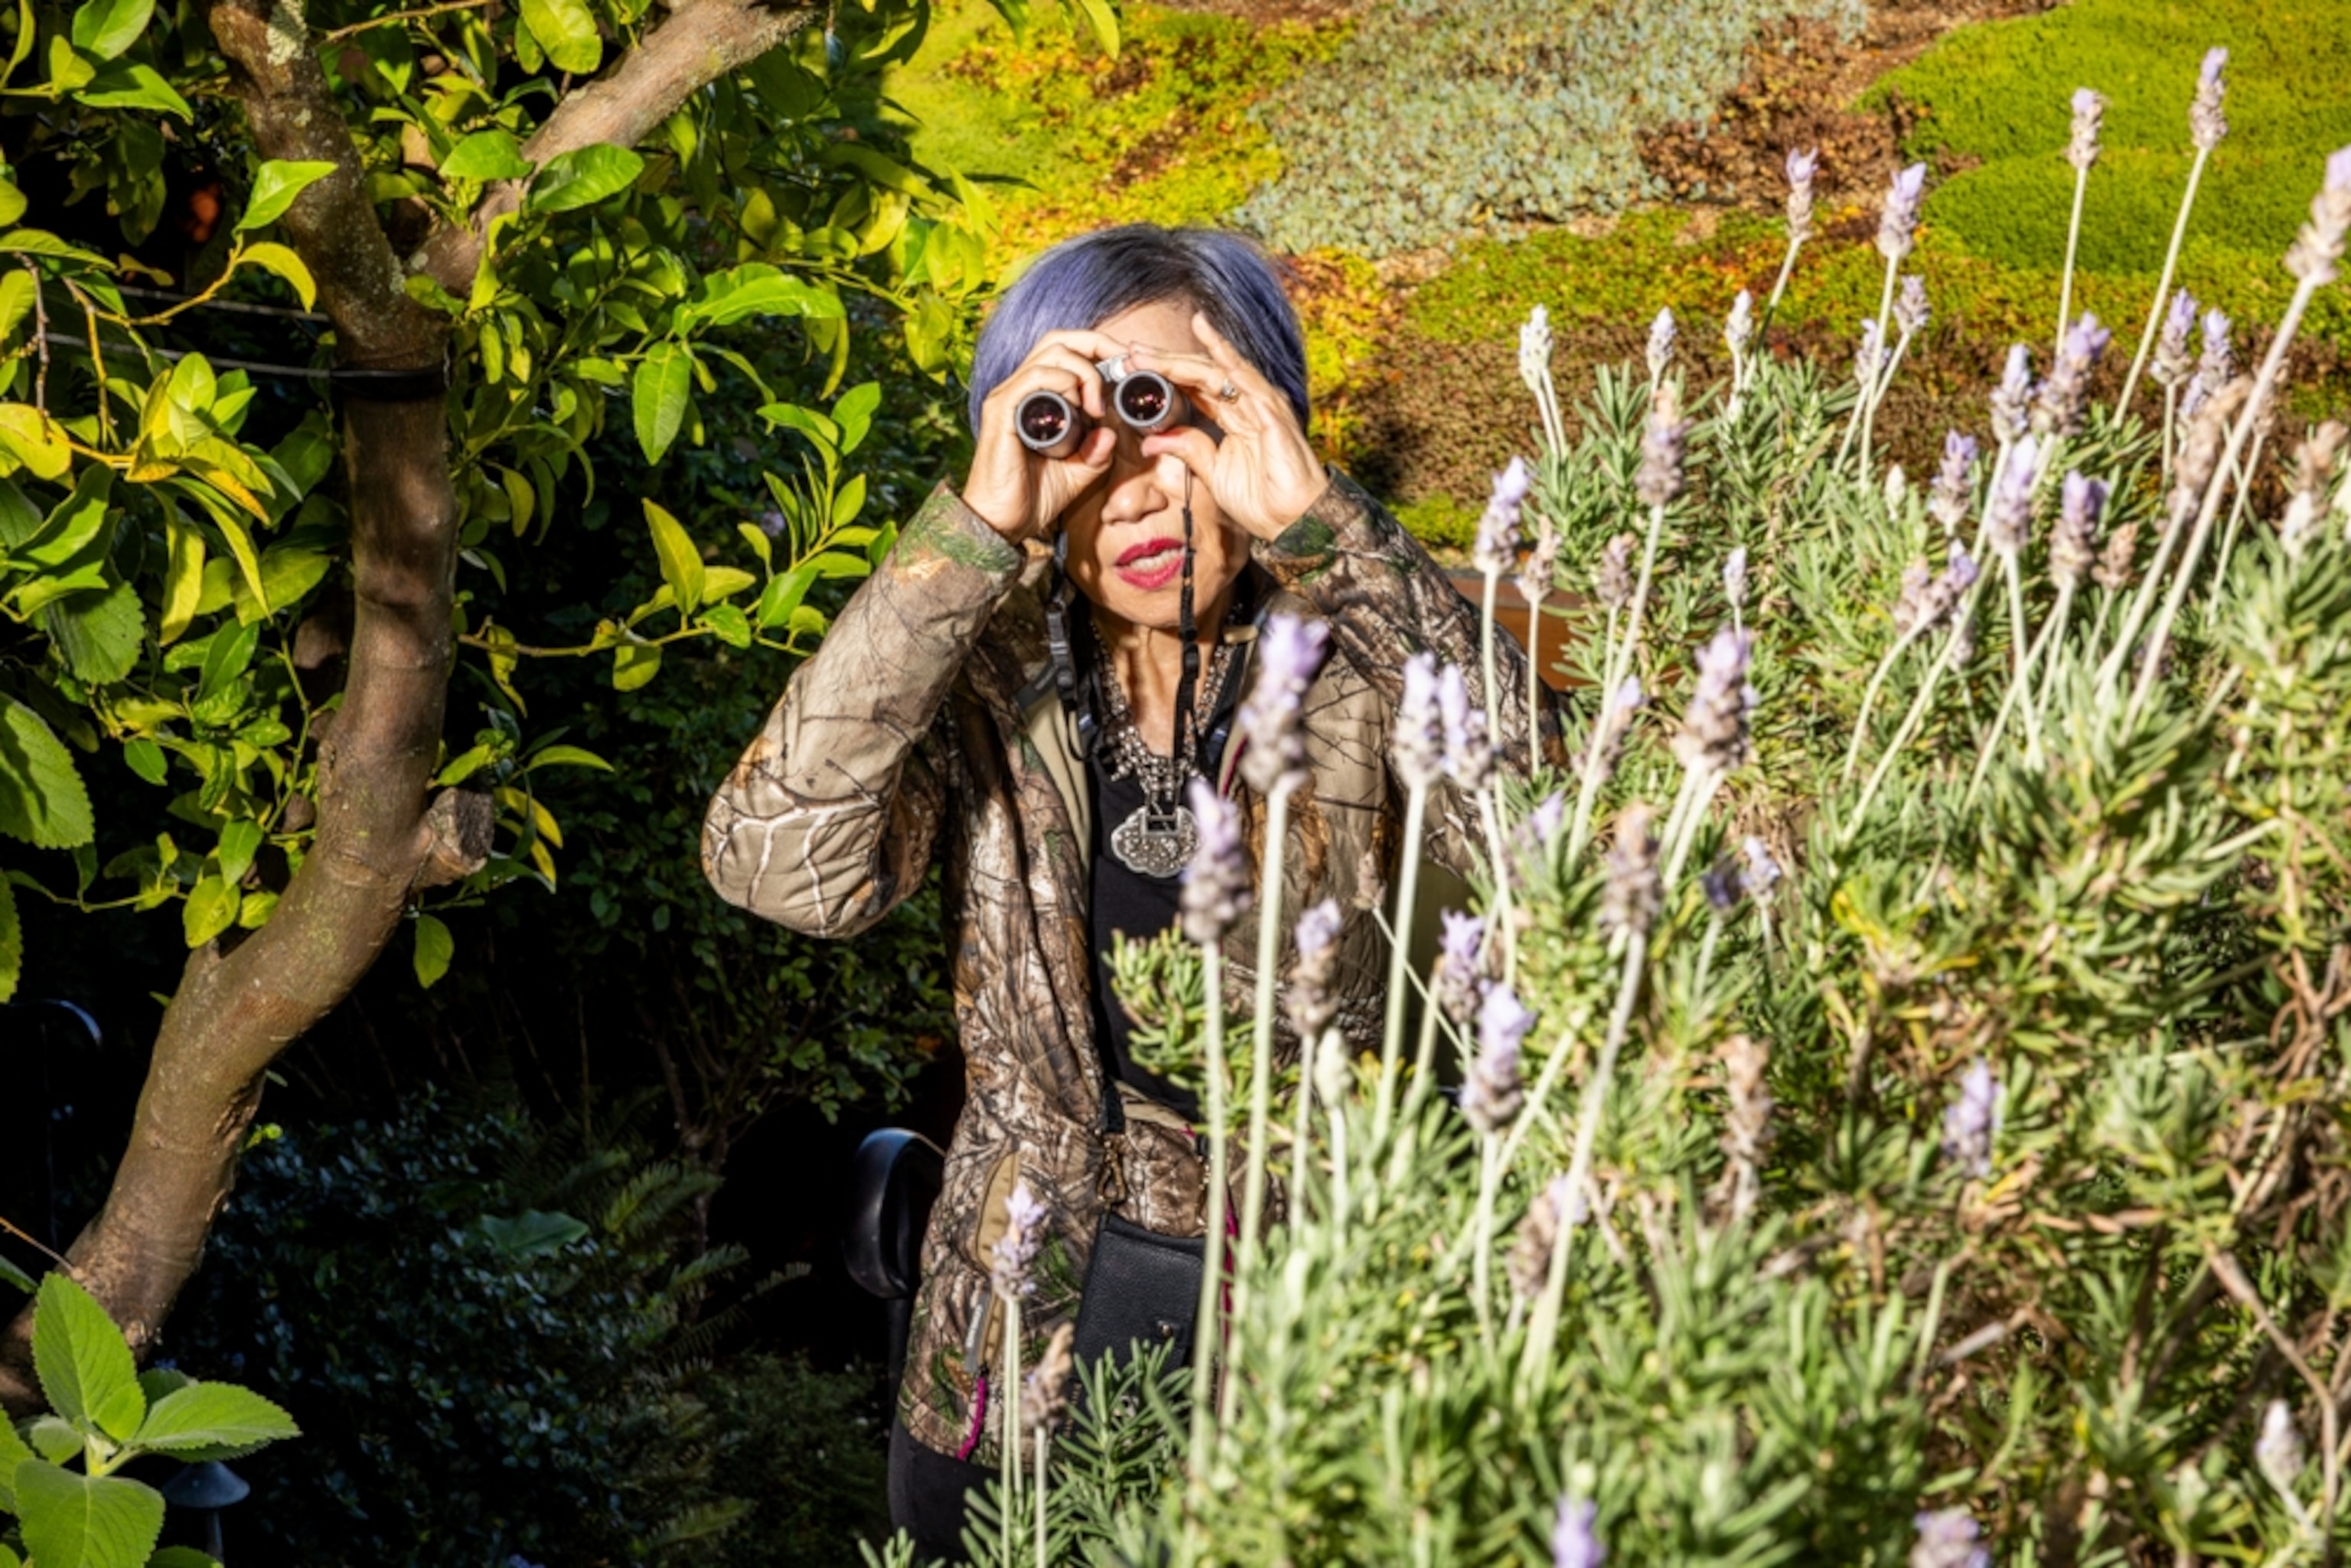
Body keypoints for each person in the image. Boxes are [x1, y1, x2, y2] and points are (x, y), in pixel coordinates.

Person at [703, 223, 1554, 1559]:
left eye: (1182, 419)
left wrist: (1331, 531)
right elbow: (775, 864)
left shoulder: (1366, 669)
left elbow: (1573, 836)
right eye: (1086, 426)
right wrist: (971, 541)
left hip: (1308, 1362)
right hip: (1010, 1357)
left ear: (1264, 424)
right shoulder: (981, 677)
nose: (1148, 492)